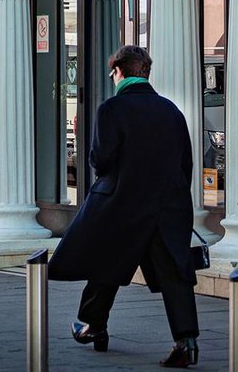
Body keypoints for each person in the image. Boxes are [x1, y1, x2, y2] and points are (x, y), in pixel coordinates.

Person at [48, 44, 201, 368]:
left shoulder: (112, 109)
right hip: (167, 206)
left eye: (112, 72)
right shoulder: (171, 111)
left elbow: (101, 161)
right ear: (145, 72)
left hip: (122, 203)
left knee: (107, 262)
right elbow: (185, 164)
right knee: (175, 274)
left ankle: (93, 325)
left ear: (118, 71)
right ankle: (186, 342)